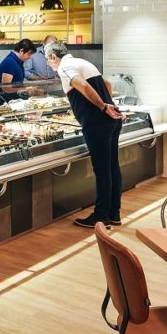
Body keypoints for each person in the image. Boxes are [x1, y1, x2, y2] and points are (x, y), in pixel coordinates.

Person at [45, 42, 123, 227]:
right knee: (112, 167)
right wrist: (110, 106)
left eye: (48, 59)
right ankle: (114, 214)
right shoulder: (83, 62)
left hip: (96, 123)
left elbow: (83, 86)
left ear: (54, 57)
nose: (48, 63)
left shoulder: (64, 67)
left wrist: (103, 107)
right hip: (110, 121)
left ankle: (101, 216)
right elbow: (107, 84)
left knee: (102, 170)